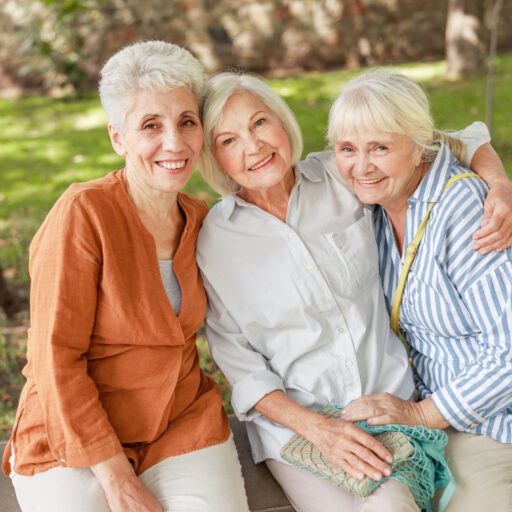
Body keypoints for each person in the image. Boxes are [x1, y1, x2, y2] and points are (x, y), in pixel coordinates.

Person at [195, 72, 511, 512]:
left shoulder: (343, 174)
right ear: (213, 158)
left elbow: (444, 141)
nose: (253, 146)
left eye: (260, 123)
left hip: (389, 408)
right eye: (228, 140)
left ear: (283, 123)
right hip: (299, 430)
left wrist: (498, 182)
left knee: (391, 506)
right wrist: (318, 430)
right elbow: (241, 365)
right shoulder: (215, 240)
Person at [2, 41, 249, 512]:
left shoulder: (202, 219)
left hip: (178, 421)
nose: (174, 144)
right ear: (118, 138)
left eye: (186, 122)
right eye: (150, 126)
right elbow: (55, 359)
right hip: (72, 433)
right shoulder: (83, 213)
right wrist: (115, 477)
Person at [328, 69, 512, 512]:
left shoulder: (464, 209)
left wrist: (421, 415)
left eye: (380, 148)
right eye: (347, 149)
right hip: (435, 417)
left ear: (419, 145)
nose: (361, 165)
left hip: (492, 421)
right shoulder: (376, 200)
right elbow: (467, 136)